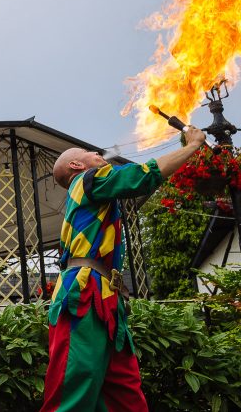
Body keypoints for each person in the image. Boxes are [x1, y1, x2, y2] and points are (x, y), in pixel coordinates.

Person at [41, 127, 207, 412]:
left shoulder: (93, 192)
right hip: (83, 295)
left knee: (123, 394)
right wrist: (191, 146)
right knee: (72, 390)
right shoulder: (87, 179)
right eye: (91, 153)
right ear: (76, 165)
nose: (98, 153)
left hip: (104, 297)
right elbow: (142, 176)